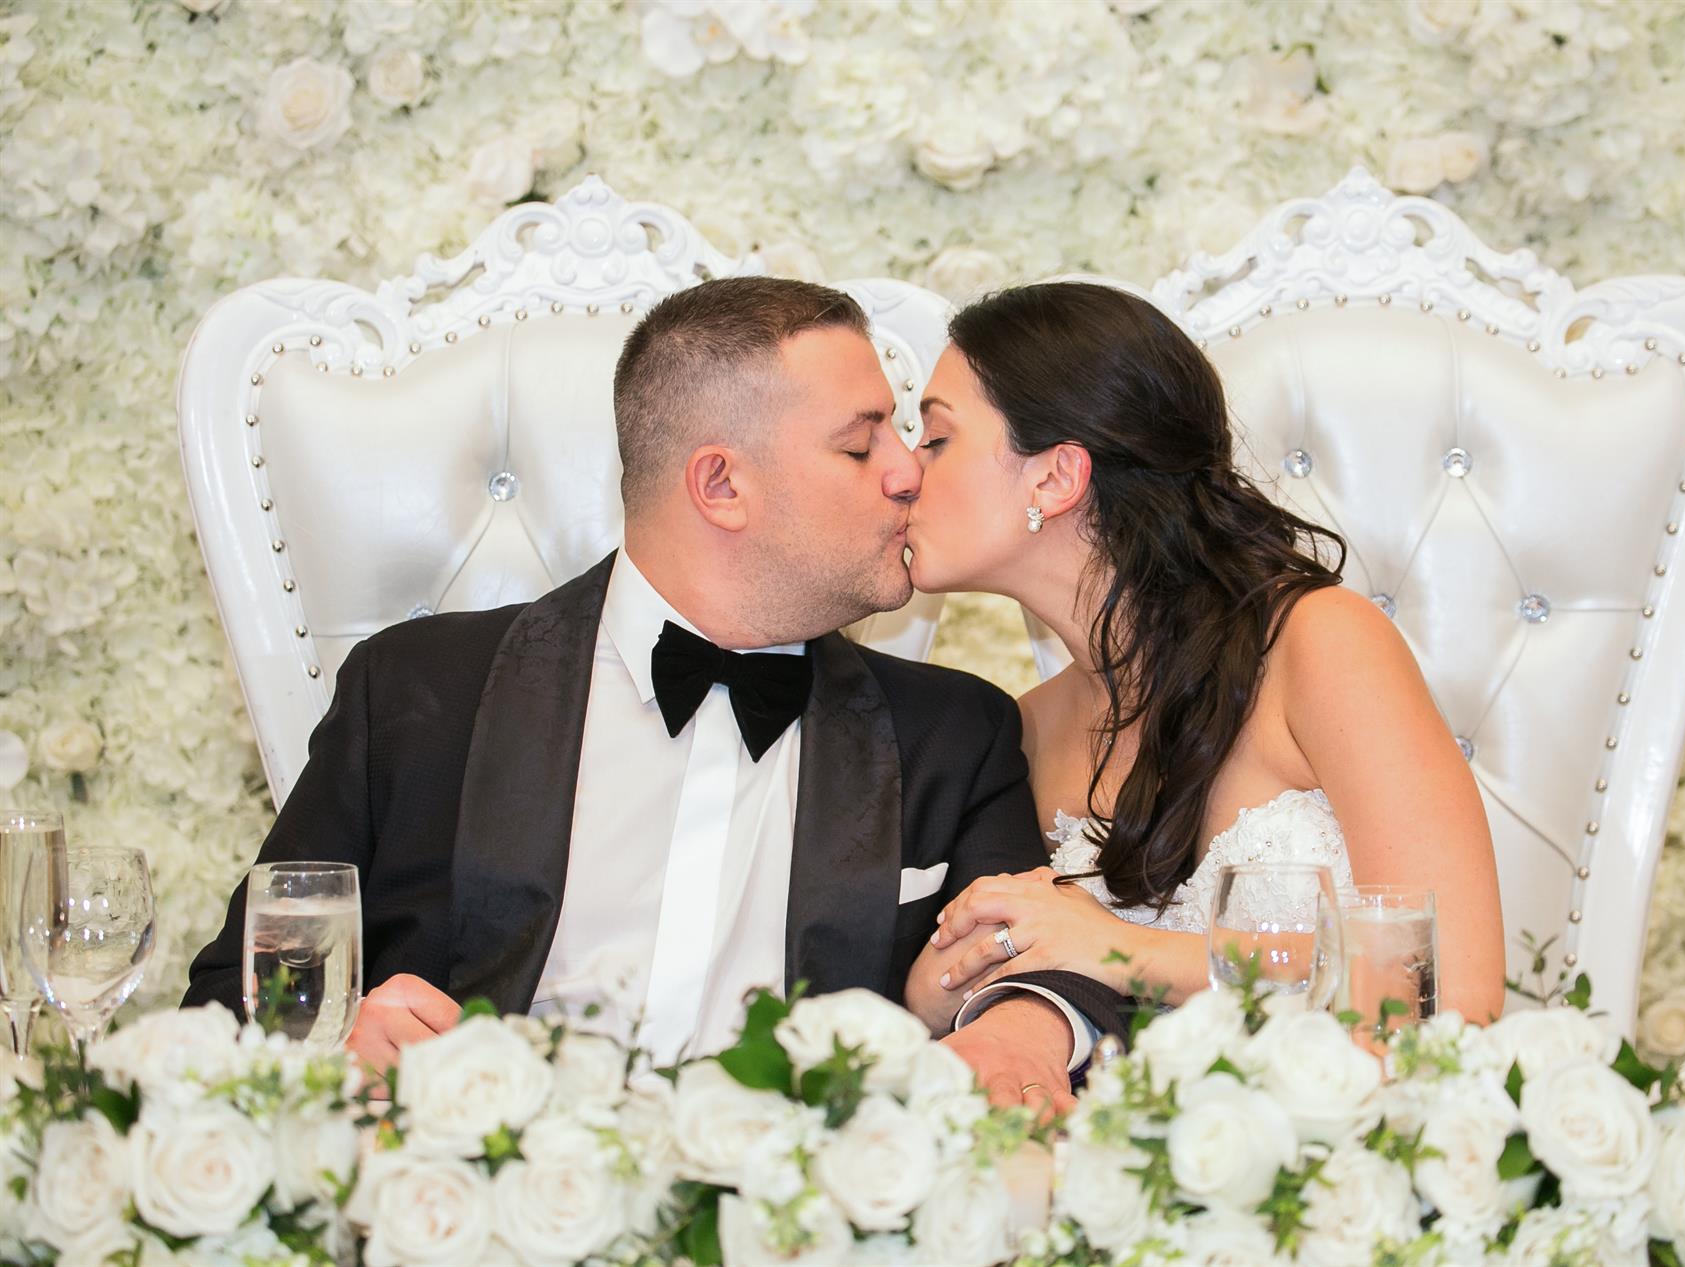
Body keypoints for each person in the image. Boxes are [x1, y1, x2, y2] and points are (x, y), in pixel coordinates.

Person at [183, 277, 1128, 1114]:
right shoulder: (419, 692)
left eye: (903, 431)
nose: (907, 470)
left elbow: (1044, 959)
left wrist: (1025, 1026)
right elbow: (233, 994)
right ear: (721, 484)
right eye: (859, 444)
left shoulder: (952, 733)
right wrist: (332, 1042)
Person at [902, 281, 1505, 1027]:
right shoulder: (1022, 730)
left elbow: (1449, 985)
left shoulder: (1321, 646)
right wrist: (936, 986)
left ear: (1056, 477)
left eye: (935, 439)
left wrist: (1119, 949)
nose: (905, 473)